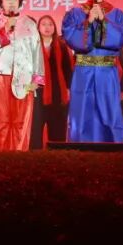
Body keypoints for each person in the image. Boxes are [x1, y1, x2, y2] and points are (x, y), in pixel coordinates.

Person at [61, 0, 123, 143]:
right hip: (83, 70)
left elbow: (121, 38)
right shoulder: (75, 13)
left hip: (107, 71)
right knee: (81, 113)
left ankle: (113, 150)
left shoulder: (116, 14)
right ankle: (79, 149)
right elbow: (70, 37)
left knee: (110, 112)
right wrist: (89, 22)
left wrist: (103, 21)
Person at [0, 0, 43, 151]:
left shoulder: (29, 23)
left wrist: (37, 80)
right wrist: (5, 30)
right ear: (1, 2)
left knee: (20, 121)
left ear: (20, 2)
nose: (11, 2)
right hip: (0, 77)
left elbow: (37, 52)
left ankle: (19, 156)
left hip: (24, 78)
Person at [30, 15, 70, 149]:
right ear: (38, 28)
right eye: (44, 24)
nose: (47, 27)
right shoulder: (32, 46)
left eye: (50, 24)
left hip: (58, 94)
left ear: (54, 27)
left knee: (58, 131)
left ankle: (57, 157)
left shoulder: (62, 46)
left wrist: (68, 89)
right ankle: (34, 157)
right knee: (35, 131)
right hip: (37, 93)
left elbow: (67, 69)